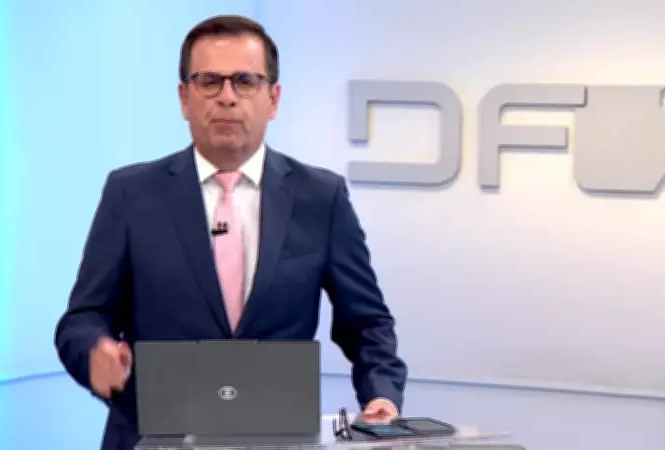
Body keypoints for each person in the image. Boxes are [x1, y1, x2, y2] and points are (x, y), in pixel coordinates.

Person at [54, 14, 407, 450]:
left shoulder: (321, 197)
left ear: (273, 99)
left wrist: (381, 395)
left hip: (277, 441)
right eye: (208, 81)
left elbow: (367, 322)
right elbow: (82, 319)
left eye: (245, 81)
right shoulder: (131, 193)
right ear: (184, 98)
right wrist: (94, 352)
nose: (227, 97)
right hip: (151, 438)